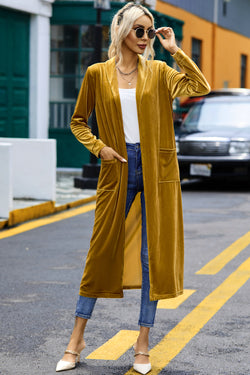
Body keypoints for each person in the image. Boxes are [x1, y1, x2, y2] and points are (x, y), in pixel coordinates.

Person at [56, 2, 210, 374]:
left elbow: (199, 86)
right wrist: (100, 148)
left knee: (150, 259)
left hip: (157, 170)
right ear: (122, 31)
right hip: (117, 168)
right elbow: (79, 122)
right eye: (139, 30)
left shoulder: (158, 71)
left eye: (150, 30)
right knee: (100, 252)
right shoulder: (97, 73)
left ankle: (142, 344)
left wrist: (175, 51)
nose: (145, 37)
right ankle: (76, 339)